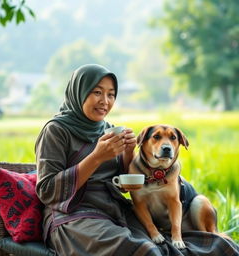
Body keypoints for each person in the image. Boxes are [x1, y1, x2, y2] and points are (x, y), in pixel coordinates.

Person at [35, 64, 239, 256]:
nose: (105, 101)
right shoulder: (56, 131)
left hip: (114, 212)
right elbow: (47, 191)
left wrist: (128, 153)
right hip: (72, 217)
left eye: (111, 94)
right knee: (145, 251)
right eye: (97, 92)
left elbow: (123, 186)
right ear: (79, 91)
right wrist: (96, 157)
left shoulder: (108, 129)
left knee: (173, 247)